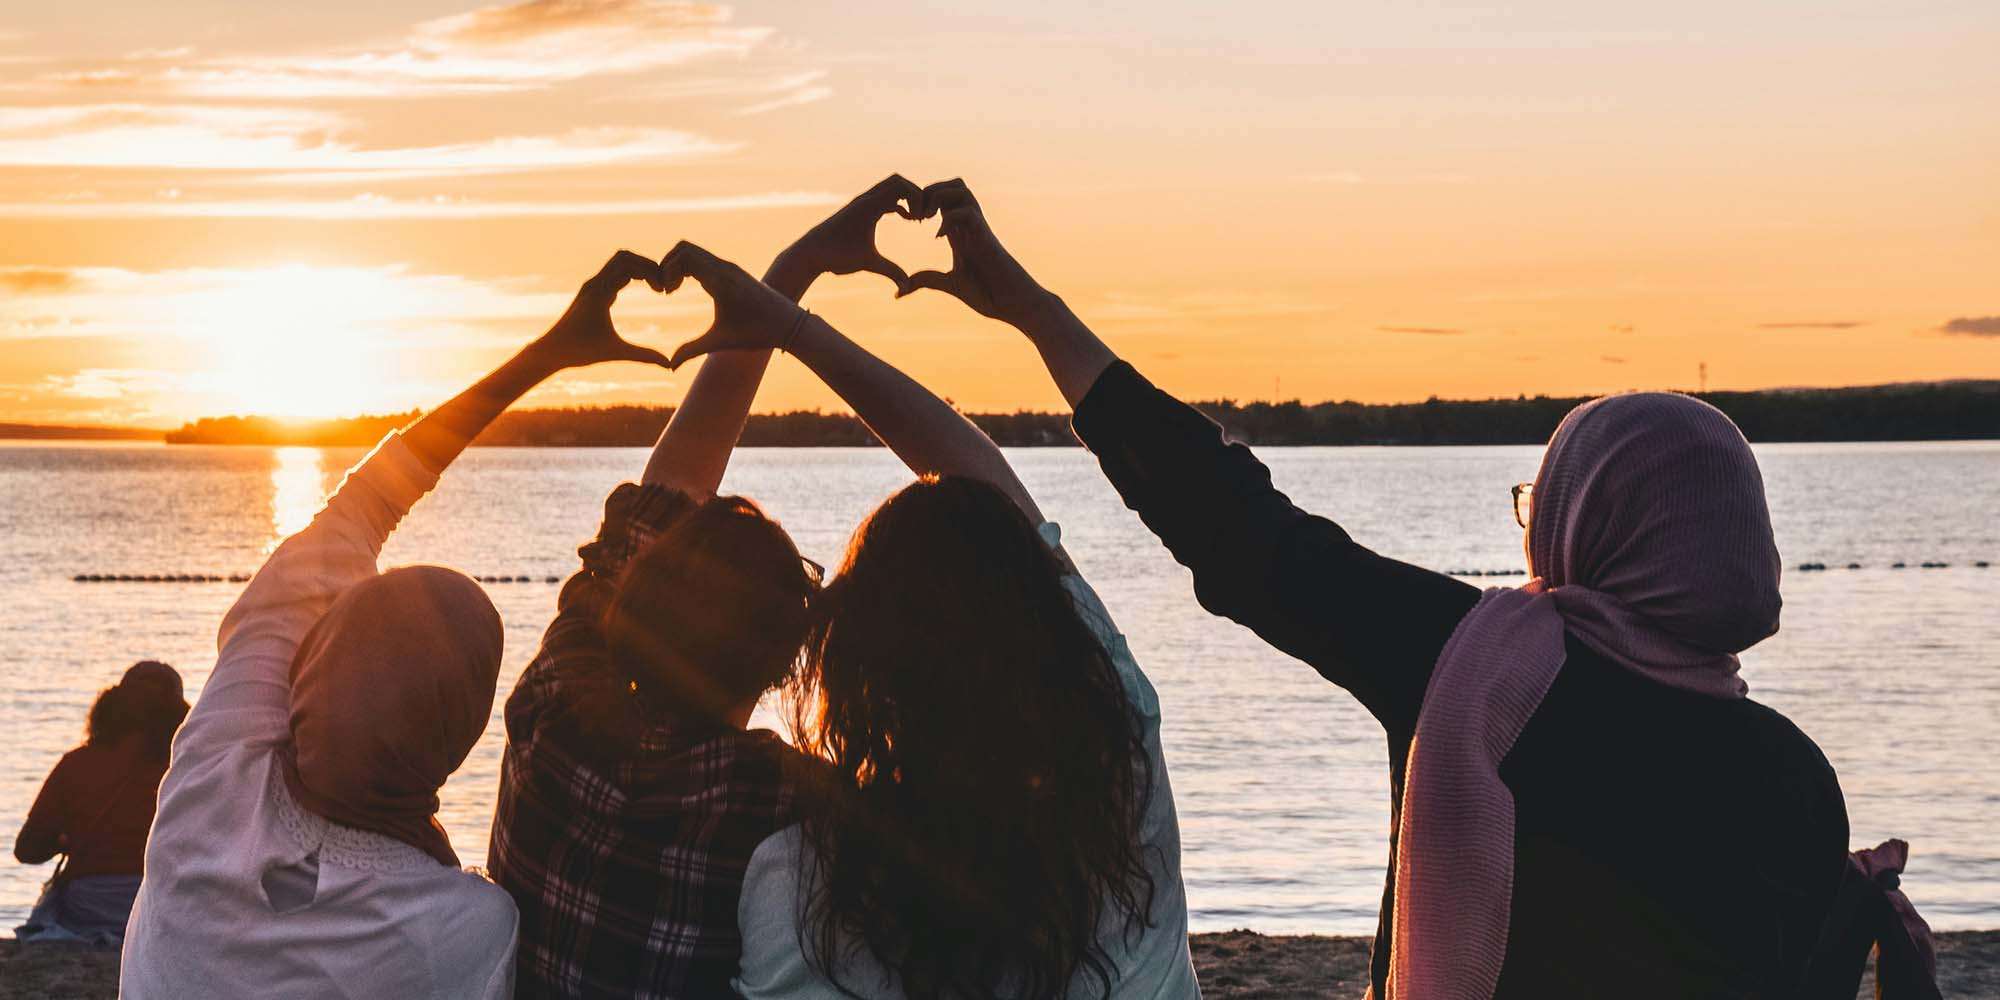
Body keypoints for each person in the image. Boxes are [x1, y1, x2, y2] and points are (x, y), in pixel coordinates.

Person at [896, 179, 1852, 999]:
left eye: (1541, 501)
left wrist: (1032, 310)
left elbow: (1230, 521)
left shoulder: (1468, 664)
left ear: (1592, 522)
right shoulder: (1793, 779)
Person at [659, 226, 1200, 999]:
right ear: (1040, 629)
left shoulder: (796, 883)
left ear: (856, 665)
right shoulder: (1123, 772)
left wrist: (785, 296)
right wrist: (791, 327)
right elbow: (991, 490)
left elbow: (653, 525)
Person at [119, 253, 675, 999]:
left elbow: (368, 501)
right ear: (455, 745)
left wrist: (544, 355)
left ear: (300, 679)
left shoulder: (212, 774)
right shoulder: (463, 926)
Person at [488, 181, 920, 997]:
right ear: (780, 662)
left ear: (636, 600)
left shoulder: (554, 707)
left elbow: (659, 498)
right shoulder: (780, 802)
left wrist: (789, 276)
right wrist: (784, 298)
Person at [13, 661, 189, 945]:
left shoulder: (77, 764)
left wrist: (65, 839)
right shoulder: (188, 769)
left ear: (114, 706)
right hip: (160, 903)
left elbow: (27, 850)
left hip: (88, 904)